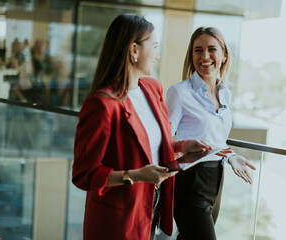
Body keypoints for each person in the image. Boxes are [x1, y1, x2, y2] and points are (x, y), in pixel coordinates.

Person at [72, 14, 209, 240]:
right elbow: (84, 175)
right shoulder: (102, 104)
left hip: (150, 209)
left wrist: (182, 145)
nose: (157, 55)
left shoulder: (152, 88)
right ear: (134, 50)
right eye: (154, 47)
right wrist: (136, 176)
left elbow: (147, 144)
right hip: (118, 220)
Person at [165, 27, 257, 240]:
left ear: (224, 55)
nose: (204, 56)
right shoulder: (179, 92)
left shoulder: (225, 93)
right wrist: (184, 146)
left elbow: (218, 139)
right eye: (198, 50)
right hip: (190, 180)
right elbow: (163, 141)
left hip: (216, 179)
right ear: (192, 56)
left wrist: (231, 156)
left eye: (211, 49)